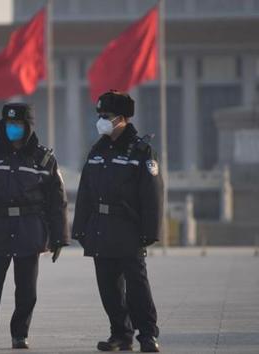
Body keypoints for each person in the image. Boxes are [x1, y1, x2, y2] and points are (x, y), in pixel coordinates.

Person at [0, 103, 69, 350]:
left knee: (26, 288)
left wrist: (59, 236)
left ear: (28, 127)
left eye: (18, 125)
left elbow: (57, 200)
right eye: (9, 125)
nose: (13, 129)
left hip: (30, 227)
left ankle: (20, 334)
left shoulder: (44, 158)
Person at [72, 91, 162, 352]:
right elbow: (86, 191)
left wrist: (150, 231)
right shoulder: (97, 150)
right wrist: (80, 228)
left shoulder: (141, 150)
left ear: (122, 119)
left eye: (106, 116)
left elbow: (152, 194)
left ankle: (147, 334)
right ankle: (120, 334)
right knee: (108, 286)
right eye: (99, 115)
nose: (101, 120)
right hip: (100, 227)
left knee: (137, 285)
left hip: (128, 227)